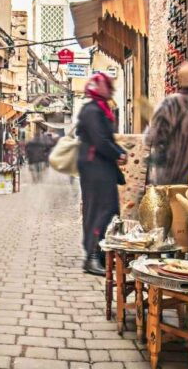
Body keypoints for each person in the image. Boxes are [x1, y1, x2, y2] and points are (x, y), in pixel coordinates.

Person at [77, 72, 126, 276]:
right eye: (108, 85)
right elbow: (100, 140)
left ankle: (99, 252)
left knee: (108, 208)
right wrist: (118, 153)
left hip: (99, 165)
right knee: (101, 208)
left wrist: (118, 152)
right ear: (99, 88)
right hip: (94, 165)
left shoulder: (99, 108)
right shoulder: (93, 110)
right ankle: (92, 256)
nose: (112, 88)